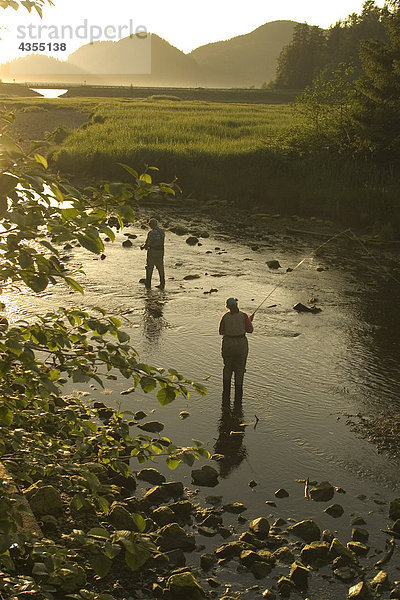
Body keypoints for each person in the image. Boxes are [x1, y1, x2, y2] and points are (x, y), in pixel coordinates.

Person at [219, 297, 254, 400]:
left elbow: (221, 331)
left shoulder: (225, 317)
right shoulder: (243, 316)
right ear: (237, 305)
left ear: (227, 307)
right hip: (241, 344)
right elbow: (250, 330)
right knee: (239, 370)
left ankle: (226, 395)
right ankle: (238, 399)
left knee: (227, 368)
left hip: (228, 344)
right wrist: (249, 321)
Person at [140, 218, 165, 289]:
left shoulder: (151, 233)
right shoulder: (162, 231)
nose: (149, 226)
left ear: (152, 225)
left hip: (152, 251)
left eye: (149, 225)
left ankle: (148, 285)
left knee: (149, 268)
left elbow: (148, 244)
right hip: (161, 251)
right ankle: (162, 284)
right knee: (160, 267)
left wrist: (143, 247)